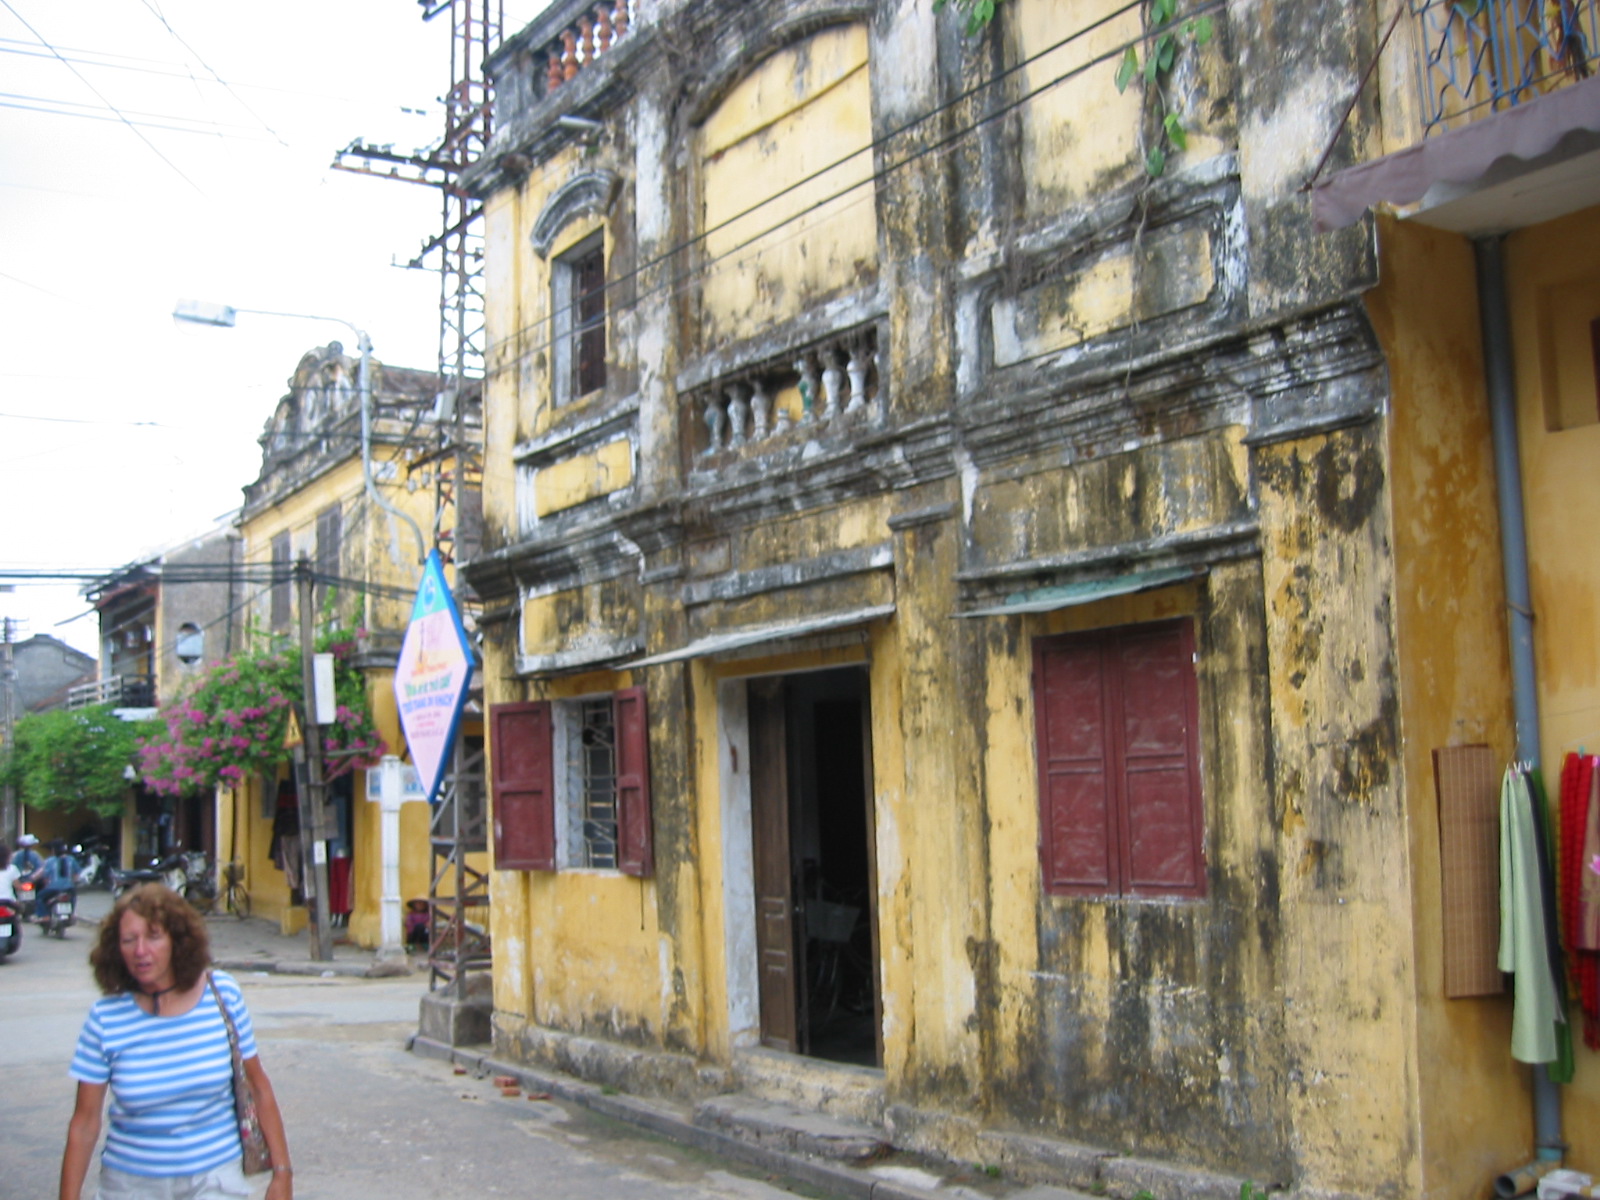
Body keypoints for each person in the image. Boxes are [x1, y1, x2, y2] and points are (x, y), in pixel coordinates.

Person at [60, 883, 294, 1200]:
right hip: (131, 1185)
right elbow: (85, 1123)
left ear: (177, 941)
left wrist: (282, 1174)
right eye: (129, 940)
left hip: (215, 1180)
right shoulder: (106, 1019)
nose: (140, 950)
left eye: (153, 937)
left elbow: (257, 1085)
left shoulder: (222, 994)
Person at [35, 839, 79, 921]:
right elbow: (76, 875)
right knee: (72, 897)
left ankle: (45, 916)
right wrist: (72, 882)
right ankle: (71, 914)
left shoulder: (50, 861)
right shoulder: (71, 859)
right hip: (69, 888)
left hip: (53, 889)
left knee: (39, 897)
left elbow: (45, 876)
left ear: (53, 850)